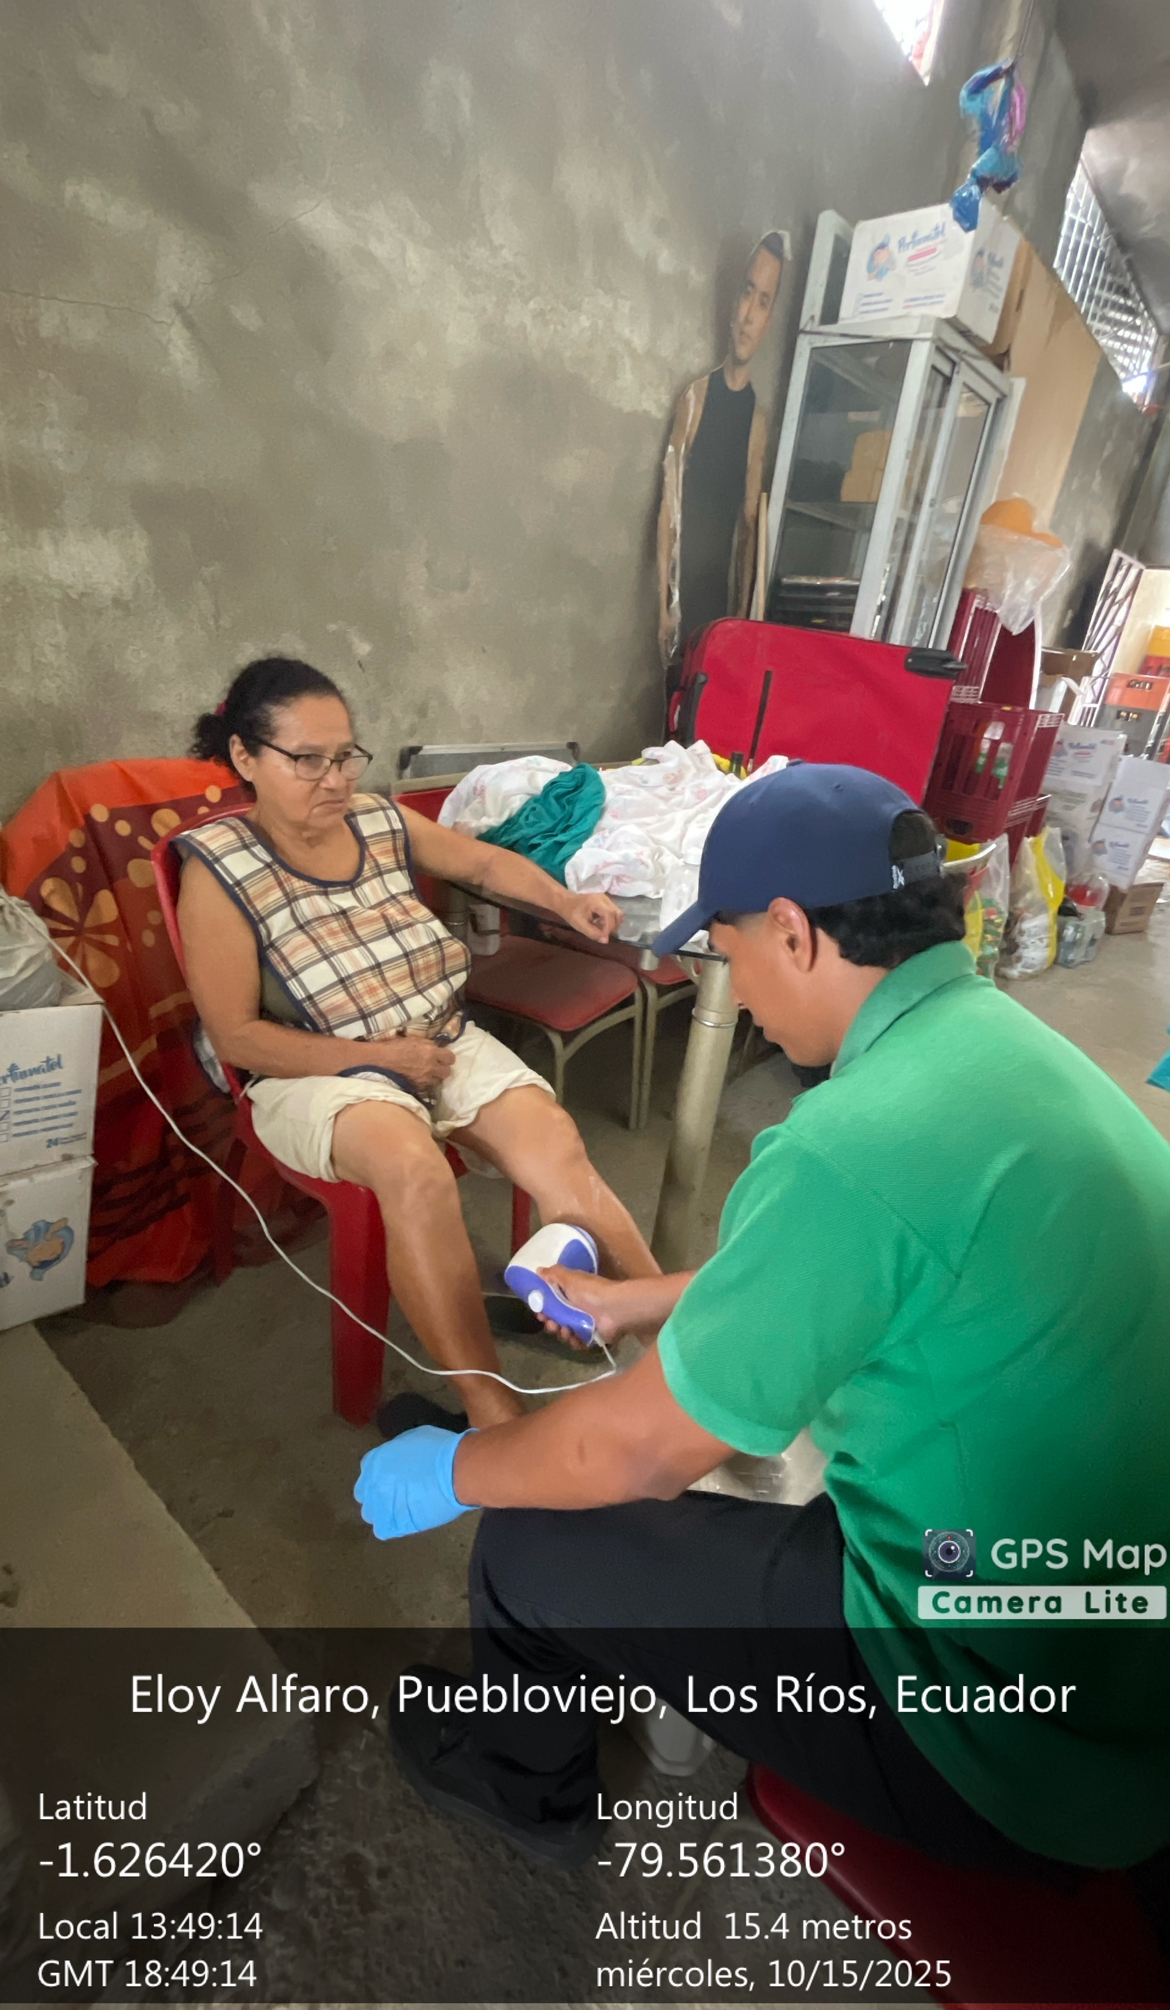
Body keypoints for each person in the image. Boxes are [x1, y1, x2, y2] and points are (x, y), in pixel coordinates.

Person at [355, 763, 1170, 1908]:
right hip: (1116, 1645)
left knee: (530, 1537)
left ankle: (522, 1788)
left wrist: (455, 1467)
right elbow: (881, 1267)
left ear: (791, 931)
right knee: (694, 1459)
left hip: (1006, 1744)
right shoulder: (1009, 1055)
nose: (733, 991)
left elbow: (633, 1452)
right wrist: (639, 1301)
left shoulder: (849, 1141)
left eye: (728, 953)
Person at [178, 656, 658, 1431]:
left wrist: (565, 901)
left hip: (436, 1037)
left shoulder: (379, 819)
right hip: (313, 1066)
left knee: (556, 1147)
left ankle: (680, 1359)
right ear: (245, 756)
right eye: (308, 760)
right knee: (413, 1169)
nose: (336, 780)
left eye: (345, 756)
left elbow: (483, 861)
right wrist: (377, 1060)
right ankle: (494, 1418)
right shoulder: (221, 869)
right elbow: (239, 1038)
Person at [657, 232, 786, 704]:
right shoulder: (694, 398)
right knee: (672, 715)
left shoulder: (756, 421)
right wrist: (664, 604)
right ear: (733, 301)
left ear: (769, 319)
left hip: (721, 612)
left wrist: (746, 622)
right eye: (747, 293)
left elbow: (751, 527)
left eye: (763, 302)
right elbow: (668, 505)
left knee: (707, 718)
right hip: (682, 594)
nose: (749, 314)